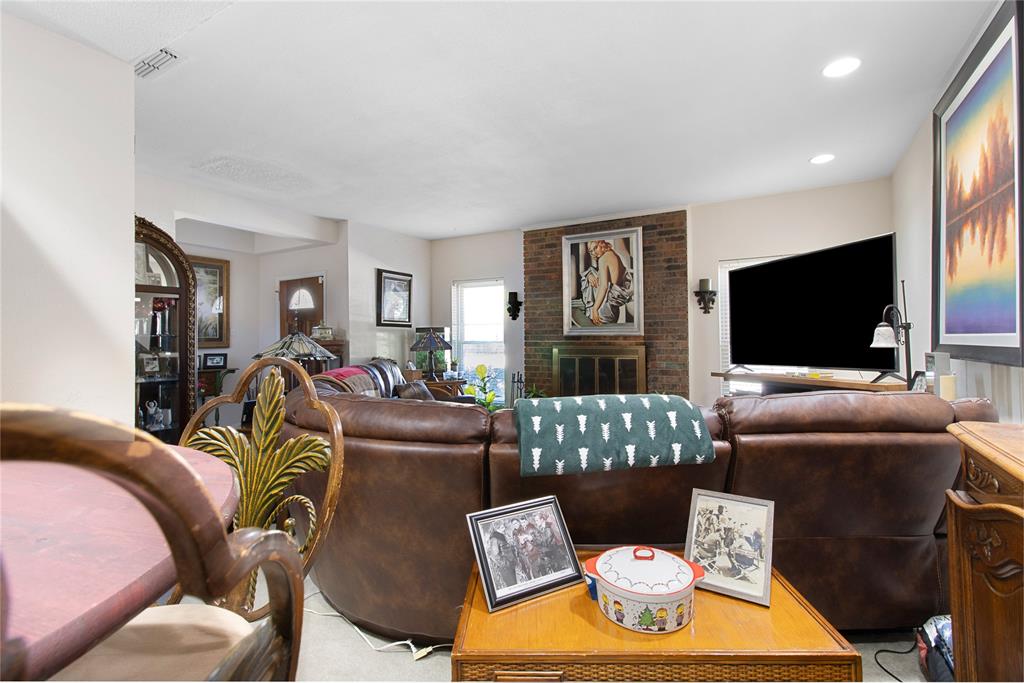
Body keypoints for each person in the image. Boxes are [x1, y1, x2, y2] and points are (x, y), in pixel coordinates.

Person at [579, 240, 633, 325]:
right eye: (591, 251)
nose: (594, 253)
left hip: (603, 307)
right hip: (610, 308)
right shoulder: (613, 255)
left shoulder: (603, 259)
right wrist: (589, 275)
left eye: (595, 248)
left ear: (602, 244)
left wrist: (595, 309)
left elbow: (604, 286)